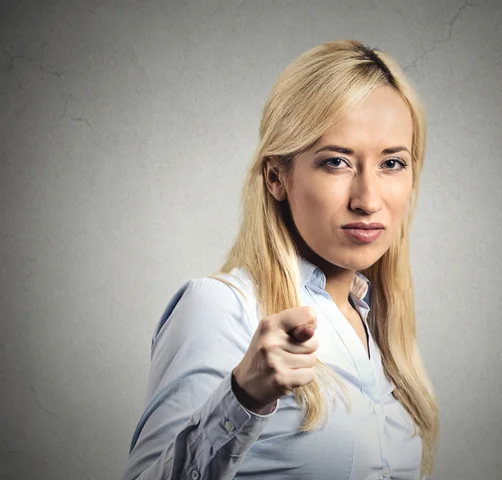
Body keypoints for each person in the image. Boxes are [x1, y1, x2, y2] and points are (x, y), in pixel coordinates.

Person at [122, 39, 439, 480]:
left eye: (392, 163)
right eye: (336, 162)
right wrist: (242, 397)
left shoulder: (377, 327)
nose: (368, 200)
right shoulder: (221, 307)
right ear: (276, 177)